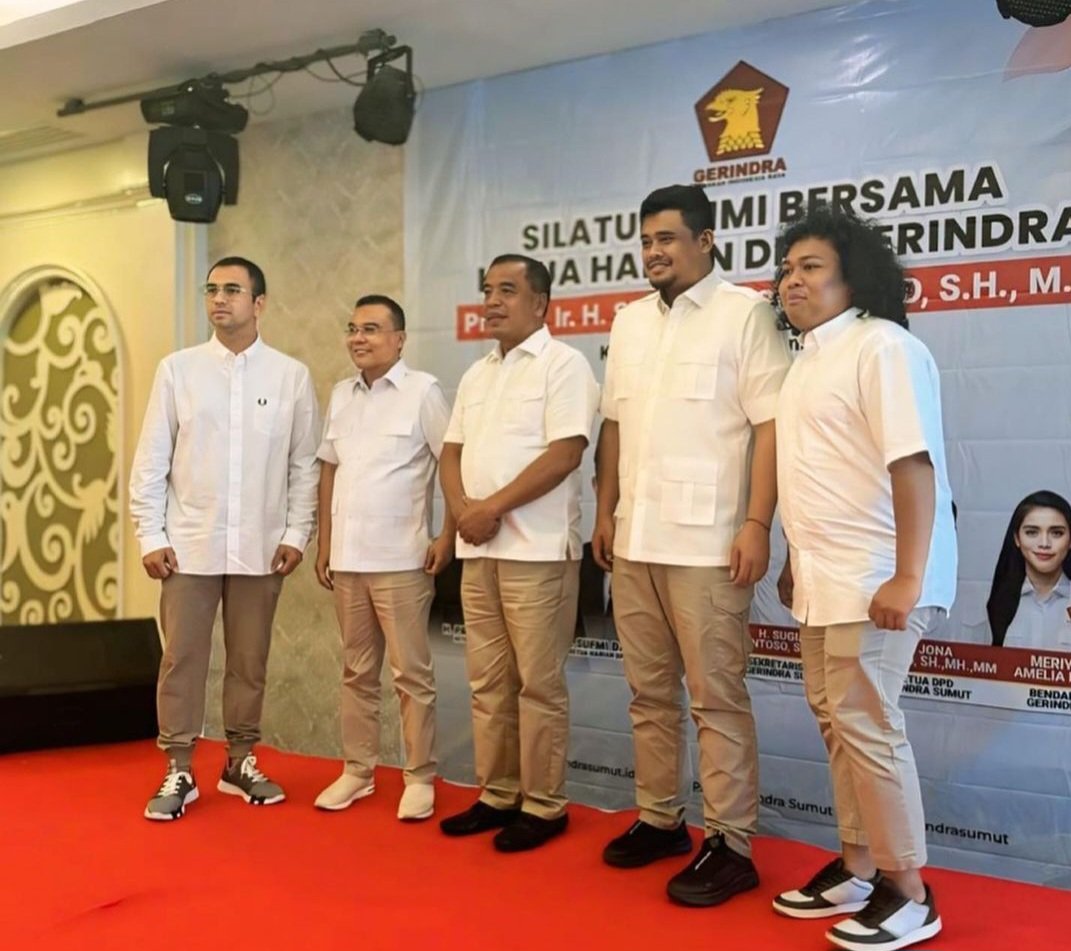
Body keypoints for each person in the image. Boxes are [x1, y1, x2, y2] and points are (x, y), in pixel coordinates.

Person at [593, 184, 791, 906]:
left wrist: (757, 523)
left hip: (711, 543)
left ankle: (730, 843)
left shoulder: (746, 314)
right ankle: (660, 818)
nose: (654, 252)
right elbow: (614, 424)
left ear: (706, 240)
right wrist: (605, 510)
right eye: (646, 241)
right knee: (648, 693)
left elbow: (771, 425)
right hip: (636, 538)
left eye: (667, 239)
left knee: (716, 699)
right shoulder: (629, 321)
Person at [770, 205, 955, 951]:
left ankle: (910, 891)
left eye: (810, 267)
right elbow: (816, 477)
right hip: (826, 579)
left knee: (870, 728)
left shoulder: (882, 345)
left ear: (854, 276)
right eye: (786, 269)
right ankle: (857, 867)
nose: (792, 281)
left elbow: (912, 463)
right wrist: (795, 560)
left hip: (878, 576)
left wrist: (908, 575)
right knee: (838, 722)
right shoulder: (807, 360)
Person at [130, 256, 320, 820]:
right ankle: (179, 767)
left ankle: (240, 761)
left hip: (261, 545)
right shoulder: (178, 370)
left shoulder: (290, 376)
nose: (219, 299)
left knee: (249, 659)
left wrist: (297, 532)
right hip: (188, 543)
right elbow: (151, 459)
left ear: (259, 303)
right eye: (211, 289)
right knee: (182, 658)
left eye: (232, 290)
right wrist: (149, 534)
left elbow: (305, 464)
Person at [437, 253, 599, 852]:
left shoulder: (565, 365)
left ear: (540, 303)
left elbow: (565, 454)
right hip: (478, 549)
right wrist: (463, 510)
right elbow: (450, 452)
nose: (492, 302)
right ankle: (498, 794)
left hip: (537, 551)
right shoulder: (477, 374)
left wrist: (491, 509)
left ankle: (544, 805)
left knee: (537, 684)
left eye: (507, 290)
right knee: (488, 681)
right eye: (487, 290)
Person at [313, 294, 454, 820]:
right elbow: (330, 469)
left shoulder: (423, 392)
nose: (358, 338)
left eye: (371, 329)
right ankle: (358, 770)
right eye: (353, 328)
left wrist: (448, 533)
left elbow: (452, 463)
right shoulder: (341, 394)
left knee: (410, 675)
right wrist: (325, 544)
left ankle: (419, 776)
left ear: (399, 339)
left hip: (401, 558)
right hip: (348, 559)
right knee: (356, 672)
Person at [987, 490, 1071, 649]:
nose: (1044, 543)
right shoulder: (995, 602)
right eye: (1032, 532)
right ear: (1017, 538)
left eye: (1056, 533)